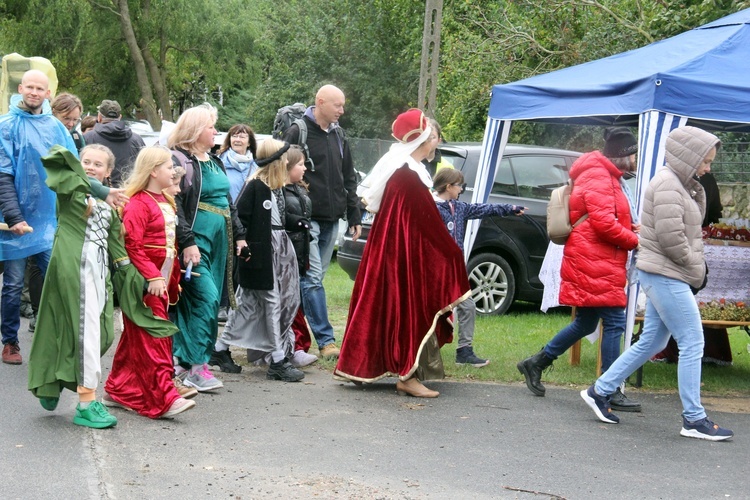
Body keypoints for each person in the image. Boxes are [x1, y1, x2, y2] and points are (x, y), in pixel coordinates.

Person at [581, 126, 734, 442]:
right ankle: (693, 418)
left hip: (663, 272)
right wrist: (697, 268)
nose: (707, 168)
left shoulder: (676, 184)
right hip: (667, 273)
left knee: (653, 341)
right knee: (692, 341)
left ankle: (601, 390)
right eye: (704, 161)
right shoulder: (668, 186)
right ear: (688, 158)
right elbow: (672, 239)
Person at [334, 108, 470, 398]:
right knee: (406, 309)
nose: (435, 142)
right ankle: (407, 376)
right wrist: (450, 254)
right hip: (402, 256)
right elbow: (425, 223)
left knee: (381, 307)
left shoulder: (405, 169)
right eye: (431, 137)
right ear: (421, 140)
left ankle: (364, 367)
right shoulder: (407, 174)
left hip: (390, 252)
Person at [517, 127, 641, 412]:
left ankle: (536, 362)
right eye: (633, 154)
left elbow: (610, 218)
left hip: (596, 259)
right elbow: (604, 224)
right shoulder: (599, 176)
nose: (636, 159)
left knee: (585, 323)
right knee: (615, 323)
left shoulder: (606, 175)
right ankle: (607, 389)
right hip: (595, 261)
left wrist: (631, 227)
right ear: (623, 156)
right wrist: (636, 240)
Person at [27, 144, 147, 428]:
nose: (91, 166)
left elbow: (118, 247)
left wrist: (135, 279)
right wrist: (101, 190)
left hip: (99, 272)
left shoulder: (110, 204)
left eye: (98, 164)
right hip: (73, 265)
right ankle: (86, 402)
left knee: (102, 332)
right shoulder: (70, 188)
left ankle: (50, 379)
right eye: (86, 161)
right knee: (86, 332)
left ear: (109, 172)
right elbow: (57, 161)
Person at [103, 146, 196, 419]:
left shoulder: (165, 200)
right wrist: (151, 276)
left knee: (136, 335)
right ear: (153, 171)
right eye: (169, 166)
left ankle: (118, 389)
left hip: (162, 280)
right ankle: (165, 398)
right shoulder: (138, 203)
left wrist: (169, 277)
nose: (174, 171)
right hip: (144, 281)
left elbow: (169, 244)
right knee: (156, 334)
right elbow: (132, 244)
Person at [0, 70, 78, 365]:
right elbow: (3, 175)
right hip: (15, 222)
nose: (34, 92)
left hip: (48, 222)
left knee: (56, 281)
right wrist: (14, 217)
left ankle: (54, 341)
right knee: (13, 284)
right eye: (29, 87)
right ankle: (10, 342)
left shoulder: (56, 128)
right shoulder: (5, 126)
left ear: (48, 93)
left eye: (40, 88)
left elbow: (71, 170)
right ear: (20, 89)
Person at [168, 103, 247, 392]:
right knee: (205, 298)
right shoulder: (178, 159)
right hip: (196, 238)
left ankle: (185, 363)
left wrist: (240, 235)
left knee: (210, 302)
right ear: (195, 130)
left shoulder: (215, 160)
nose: (216, 131)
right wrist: (187, 242)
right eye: (211, 126)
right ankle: (197, 365)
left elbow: (229, 202)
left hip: (220, 240)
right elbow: (174, 203)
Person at [212, 139, 304, 381]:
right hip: (260, 255)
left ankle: (220, 349)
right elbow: (240, 217)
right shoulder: (256, 186)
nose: (287, 161)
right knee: (271, 302)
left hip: (276, 252)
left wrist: (297, 222)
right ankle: (277, 359)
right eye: (284, 157)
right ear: (276, 160)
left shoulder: (275, 188)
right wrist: (244, 245)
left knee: (246, 302)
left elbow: (277, 219)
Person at [281, 84, 361, 359]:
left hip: (332, 218)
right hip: (307, 220)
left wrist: (354, 214)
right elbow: (282, 172)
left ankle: (293, 336)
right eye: (337, 105)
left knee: (312, 280)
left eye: (342, 105)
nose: (342, 110)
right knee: (313, 279)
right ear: (320, 102)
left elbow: (348, 175)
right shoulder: (297, 131)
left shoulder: (339, 135)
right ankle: (326, 341)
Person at [433, 168, 525, 367]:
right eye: (460, 186)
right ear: (448, 187)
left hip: (455, 270)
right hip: (436, 272)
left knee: (468, 306)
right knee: (433, 311)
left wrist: (509, 208)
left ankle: (464, 351)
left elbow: (483, 209)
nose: (461, 190)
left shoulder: (458, 207)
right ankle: (423, 351)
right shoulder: (431, 209)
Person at [651, 171, 733, 365]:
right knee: (654, 340)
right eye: (705, 161)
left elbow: (714, 214)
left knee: (686, 340)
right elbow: (671, 231)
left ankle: (603, 386)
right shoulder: (669, 180)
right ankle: (604, 386)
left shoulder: (705, 180)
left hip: (687, 257)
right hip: (674, 261)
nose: (708, 167)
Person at [216, 123, 258, 323]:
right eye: (234, 136)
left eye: (242, 136)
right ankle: (223, 304)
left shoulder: (256, 166)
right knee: (226, 262)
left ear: (249, 141)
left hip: (248, 222)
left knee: (242, 264)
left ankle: (240, 305)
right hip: (226, 219)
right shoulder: (220, 163)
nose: (237, 139)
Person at [282, 146, 318, 368]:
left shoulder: (300, 189)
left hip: (300, 250)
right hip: (286, 251)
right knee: (289, 301)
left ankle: (298, 346)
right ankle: (295, 347)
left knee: (296, 299)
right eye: (300, 164)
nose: (305, 168)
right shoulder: (278, 190)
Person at [83, 99, 146, 187]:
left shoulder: (87, 138)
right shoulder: (137, 140)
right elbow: (144, 169)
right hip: (127, 194)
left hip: (96, 193)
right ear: (120, 117)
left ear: (99, 117)